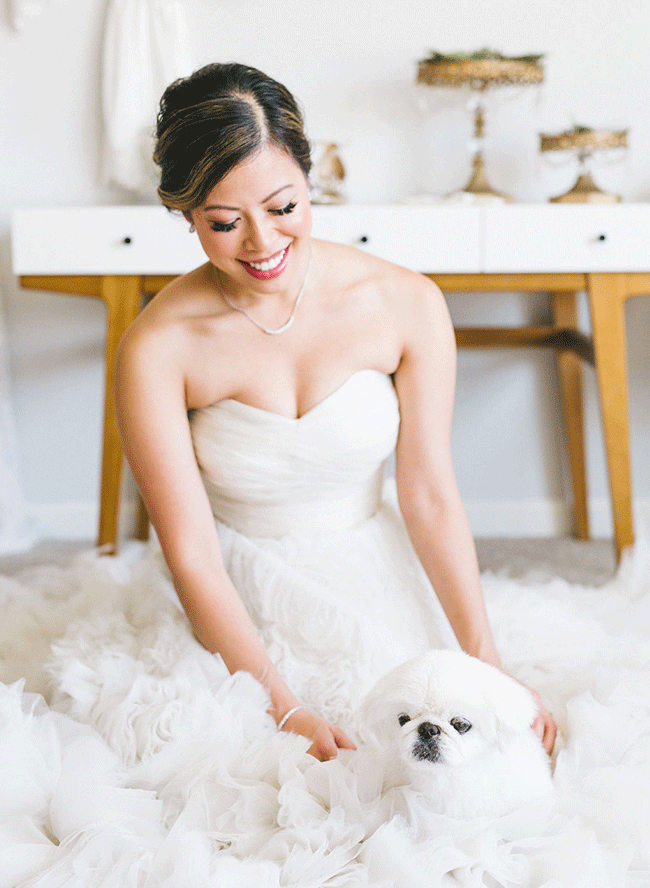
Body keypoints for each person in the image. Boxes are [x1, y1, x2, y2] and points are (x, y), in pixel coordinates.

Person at [115, 61, 556, 763]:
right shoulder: (156, 349)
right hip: (231, 587)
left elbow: (429, 496)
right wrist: (282, 706)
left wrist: (486, 667)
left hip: (375, 565)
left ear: (309, 177)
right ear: (186, 213)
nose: (262, 244)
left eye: (283, 208)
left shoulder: (405, 302)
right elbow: (192, 554)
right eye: (224, 223)